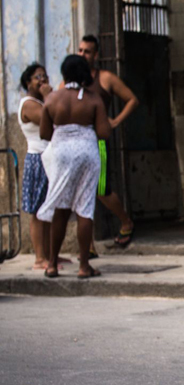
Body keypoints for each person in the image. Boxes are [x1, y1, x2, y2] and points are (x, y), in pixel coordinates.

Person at [37, 55, 111, 279]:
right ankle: (83, 266)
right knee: (85, 209)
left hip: (61, 153)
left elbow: (44, 133)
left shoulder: (52, 99)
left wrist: (64, 135)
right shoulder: (93, 99)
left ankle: (51, 264)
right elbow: (104, 133)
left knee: (61, 206)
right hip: (88, 154)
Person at [76, 34, 137, 249]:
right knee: (80, 193)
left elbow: (131, 99)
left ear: (96, 55)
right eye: (80, 50)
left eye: (88, 51)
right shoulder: (71, 79)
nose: (83, 55)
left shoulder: (106, 78)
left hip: (98, 142)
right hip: (76, 144)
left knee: (101, 190)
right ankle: (88, 247)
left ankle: (126, 221)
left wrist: (115, 121)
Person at [16, 62, 65, 271]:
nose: (43, 80)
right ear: (28, 83)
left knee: (49, 209)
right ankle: (39, 258)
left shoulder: (39, 101)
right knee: (37, 211)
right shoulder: (29, 104)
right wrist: (49, 97)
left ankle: (49, 254)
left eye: (44, 76)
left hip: (49, 157)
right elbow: (51, 118)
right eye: (37, 77)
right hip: (38, 158)